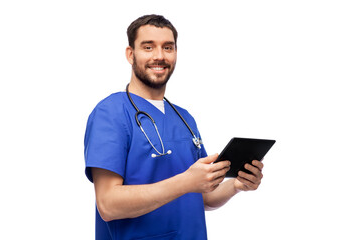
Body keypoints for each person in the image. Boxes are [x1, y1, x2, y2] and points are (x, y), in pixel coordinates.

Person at [84, 14, 264, 240]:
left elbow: (203, 195)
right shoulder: (110, 113)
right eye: (148, 47)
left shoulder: (184, 118)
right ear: (131, 54)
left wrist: (237, 185)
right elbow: (108, 205)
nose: (159, 56)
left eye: (168, 47)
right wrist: (185, 182)